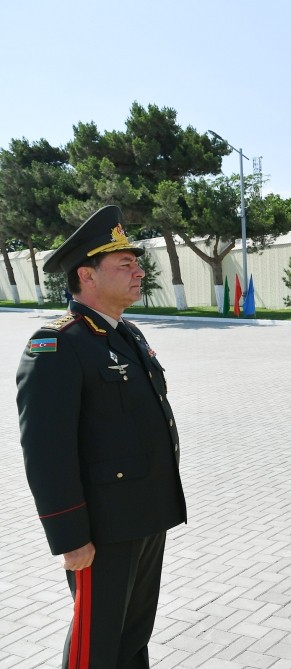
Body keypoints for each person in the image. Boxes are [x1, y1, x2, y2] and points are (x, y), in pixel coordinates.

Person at [15, 205, 186, 669]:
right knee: (96, 644)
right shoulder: (56, 346)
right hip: (101, 531)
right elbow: (46, 453)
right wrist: (70, 536)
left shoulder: (124, 333)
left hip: (145, 516)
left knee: (132, 637)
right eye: (125, 264)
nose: (139, 271)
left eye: (137, 262)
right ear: (87, 277)